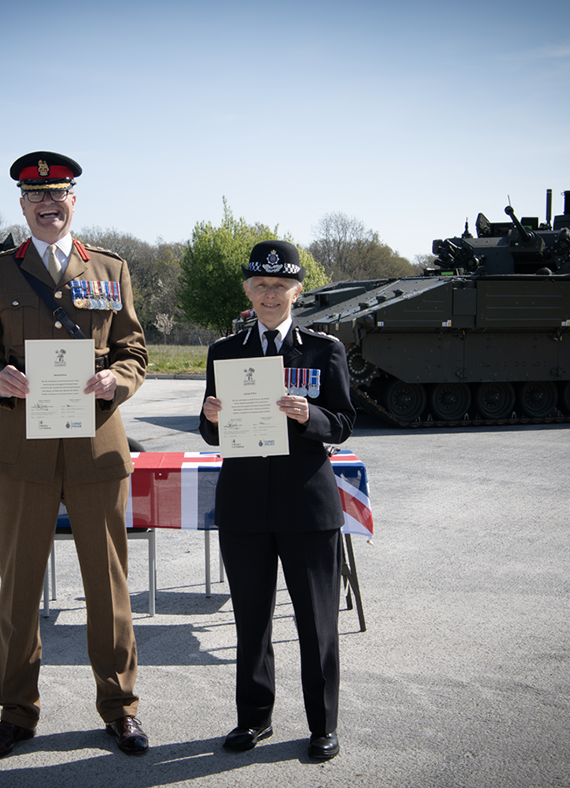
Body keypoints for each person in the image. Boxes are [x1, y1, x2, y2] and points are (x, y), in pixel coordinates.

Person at [0, 151, 149, 759]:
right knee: (19, 588)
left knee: (109, 586)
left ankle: (120, 708)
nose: (49, 204)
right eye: (36, 197)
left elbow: (133, 352)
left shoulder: (110, 268)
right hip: (22, 449)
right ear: (22, 205)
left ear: (75, 201)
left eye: (60, 194)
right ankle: (16, 713)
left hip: (95, 447)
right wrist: (0, 384)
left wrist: (114, 383)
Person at [199, 240, 355, 760]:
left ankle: (322, 725)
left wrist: (310, 416)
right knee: (251, 621)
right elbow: (210, 433)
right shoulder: (224, 352)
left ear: (297, 291)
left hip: (307, 506)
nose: (271, 295)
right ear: (248, 289)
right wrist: (212, 418)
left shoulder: (323, 350)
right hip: (245, 507)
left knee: (316, 623)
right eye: (261, 286)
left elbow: (345, 422)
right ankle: (254, 719)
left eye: (280, 285)